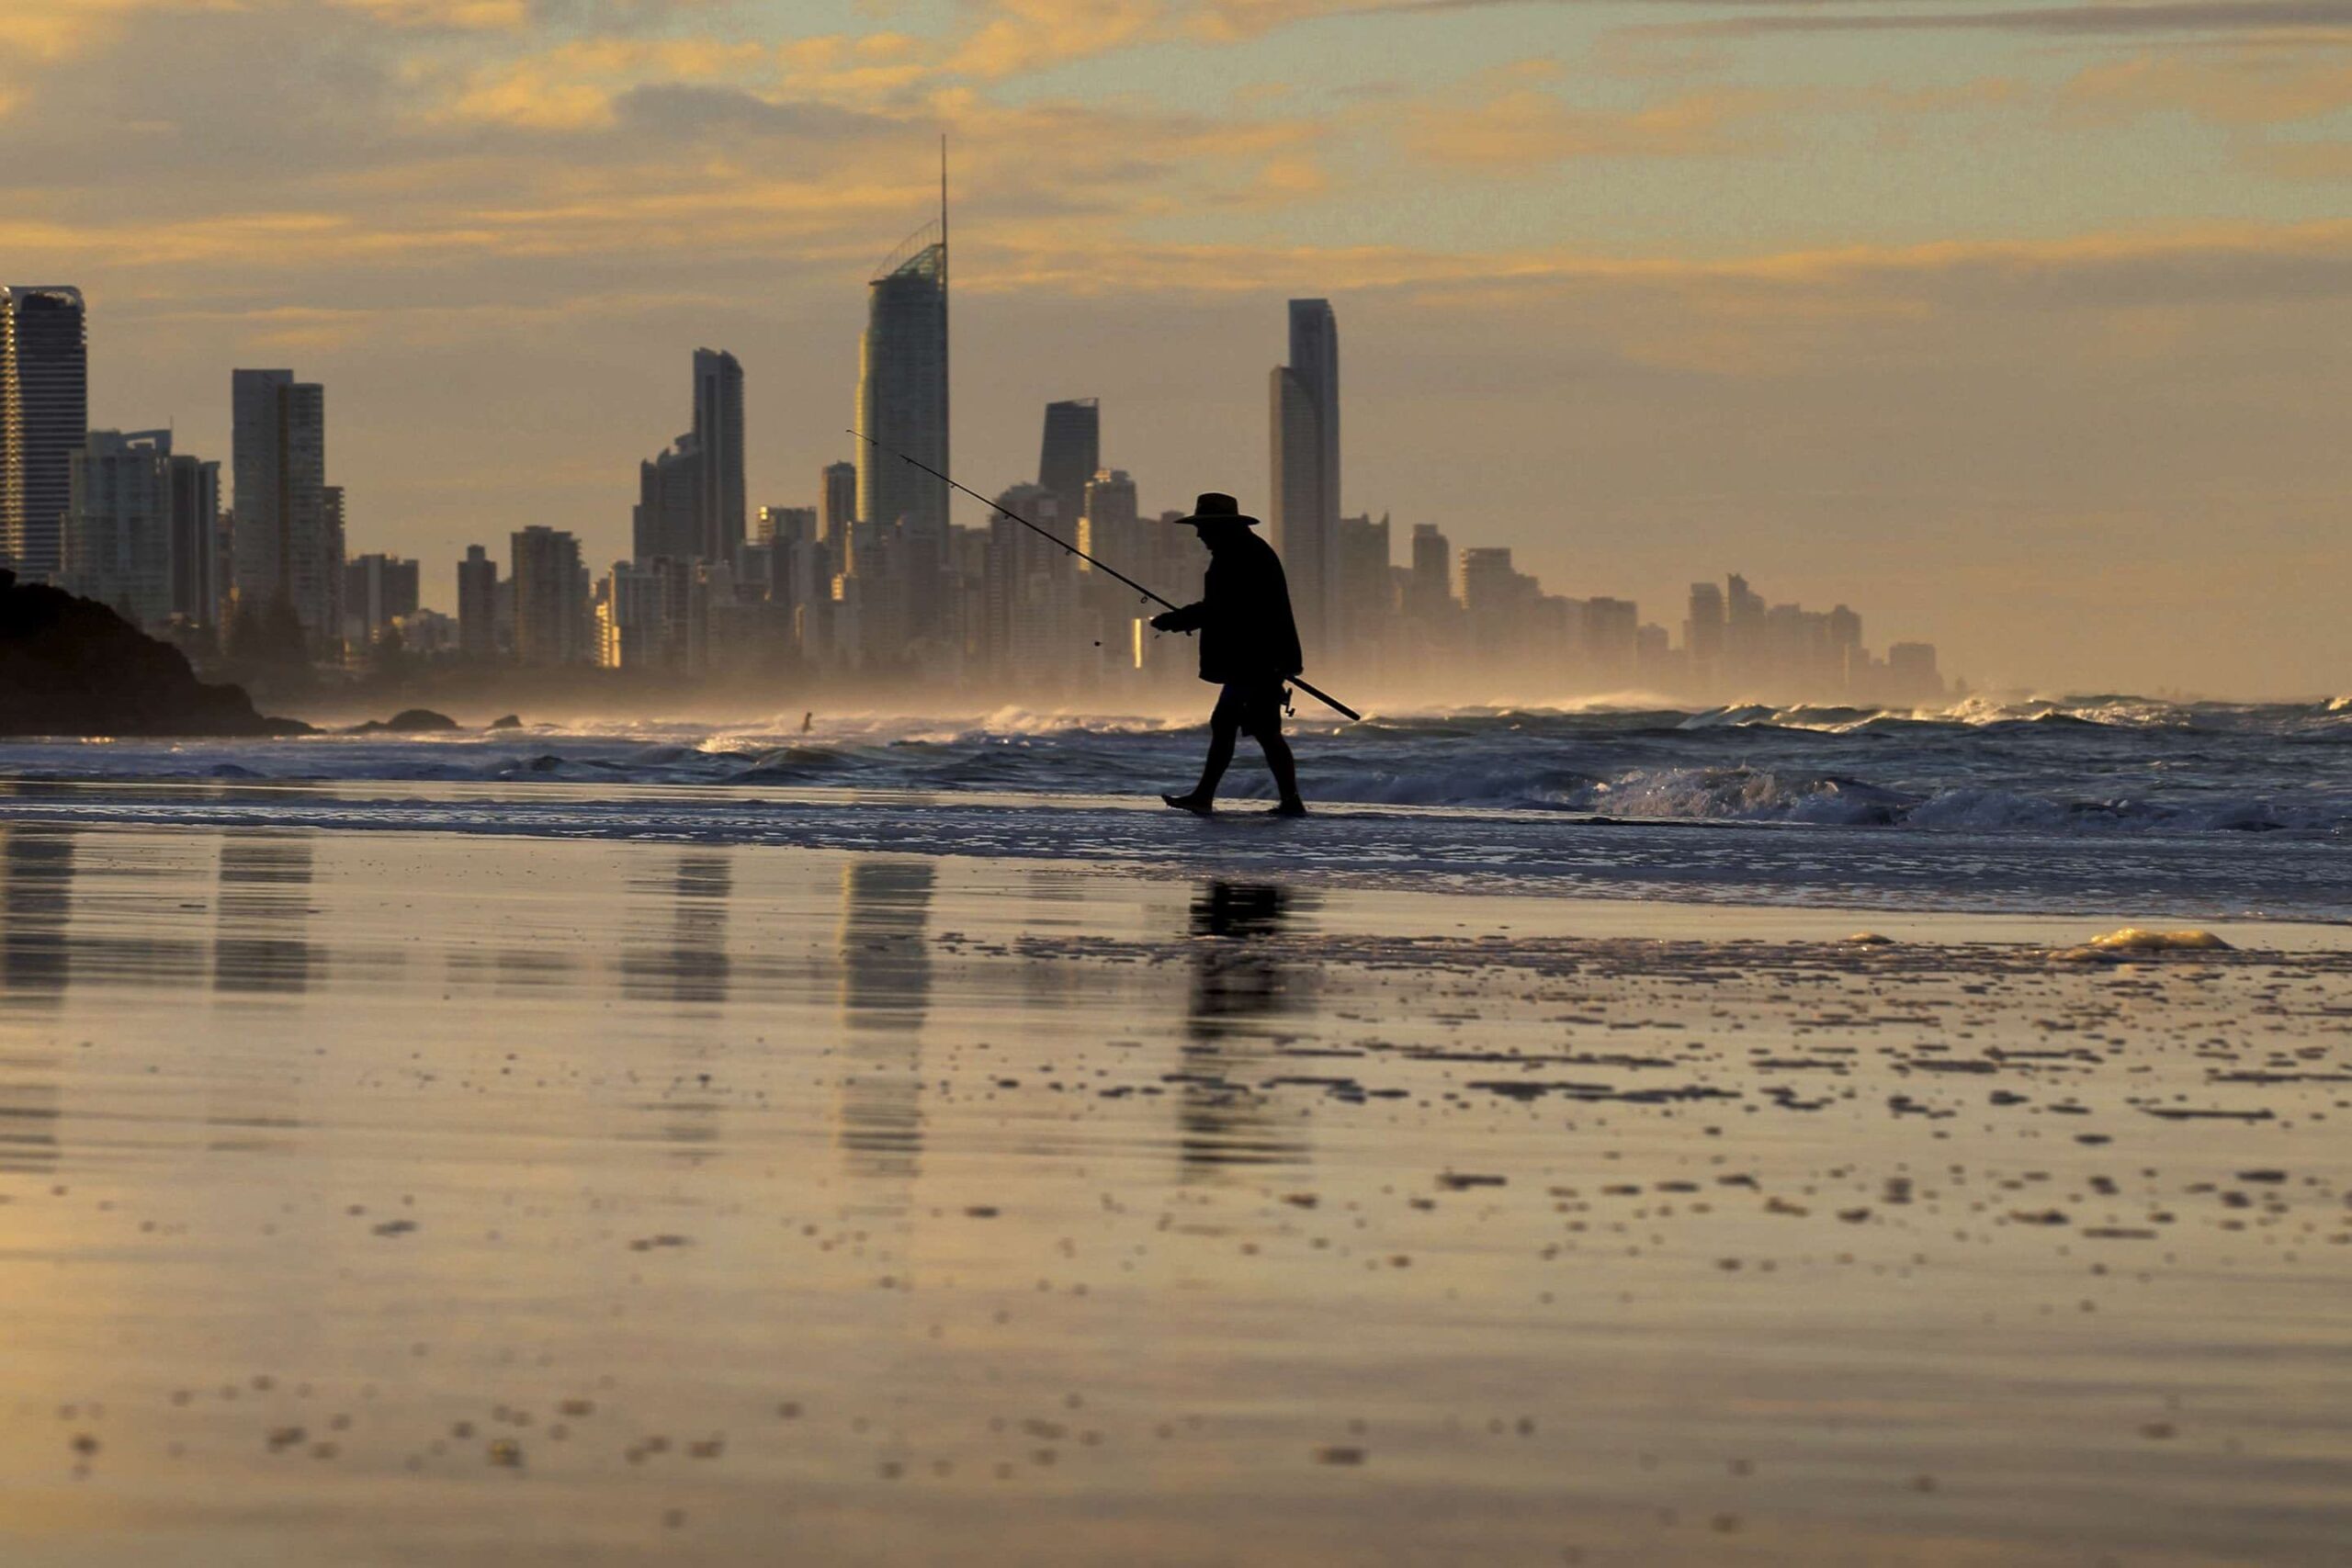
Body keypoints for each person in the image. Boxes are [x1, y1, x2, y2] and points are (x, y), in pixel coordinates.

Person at [1149, 492, 1307, 817]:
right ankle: (1278, 800)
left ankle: (1283, 801)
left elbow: (1223, 608)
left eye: (1203, 527)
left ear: (1220, 526)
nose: (1199, 535)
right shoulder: (1245, 550)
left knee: (1249, 728)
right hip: (1256, 659)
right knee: (1250, 728)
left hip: (1256, 660)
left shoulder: (1238, 555)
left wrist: (1175, 620)